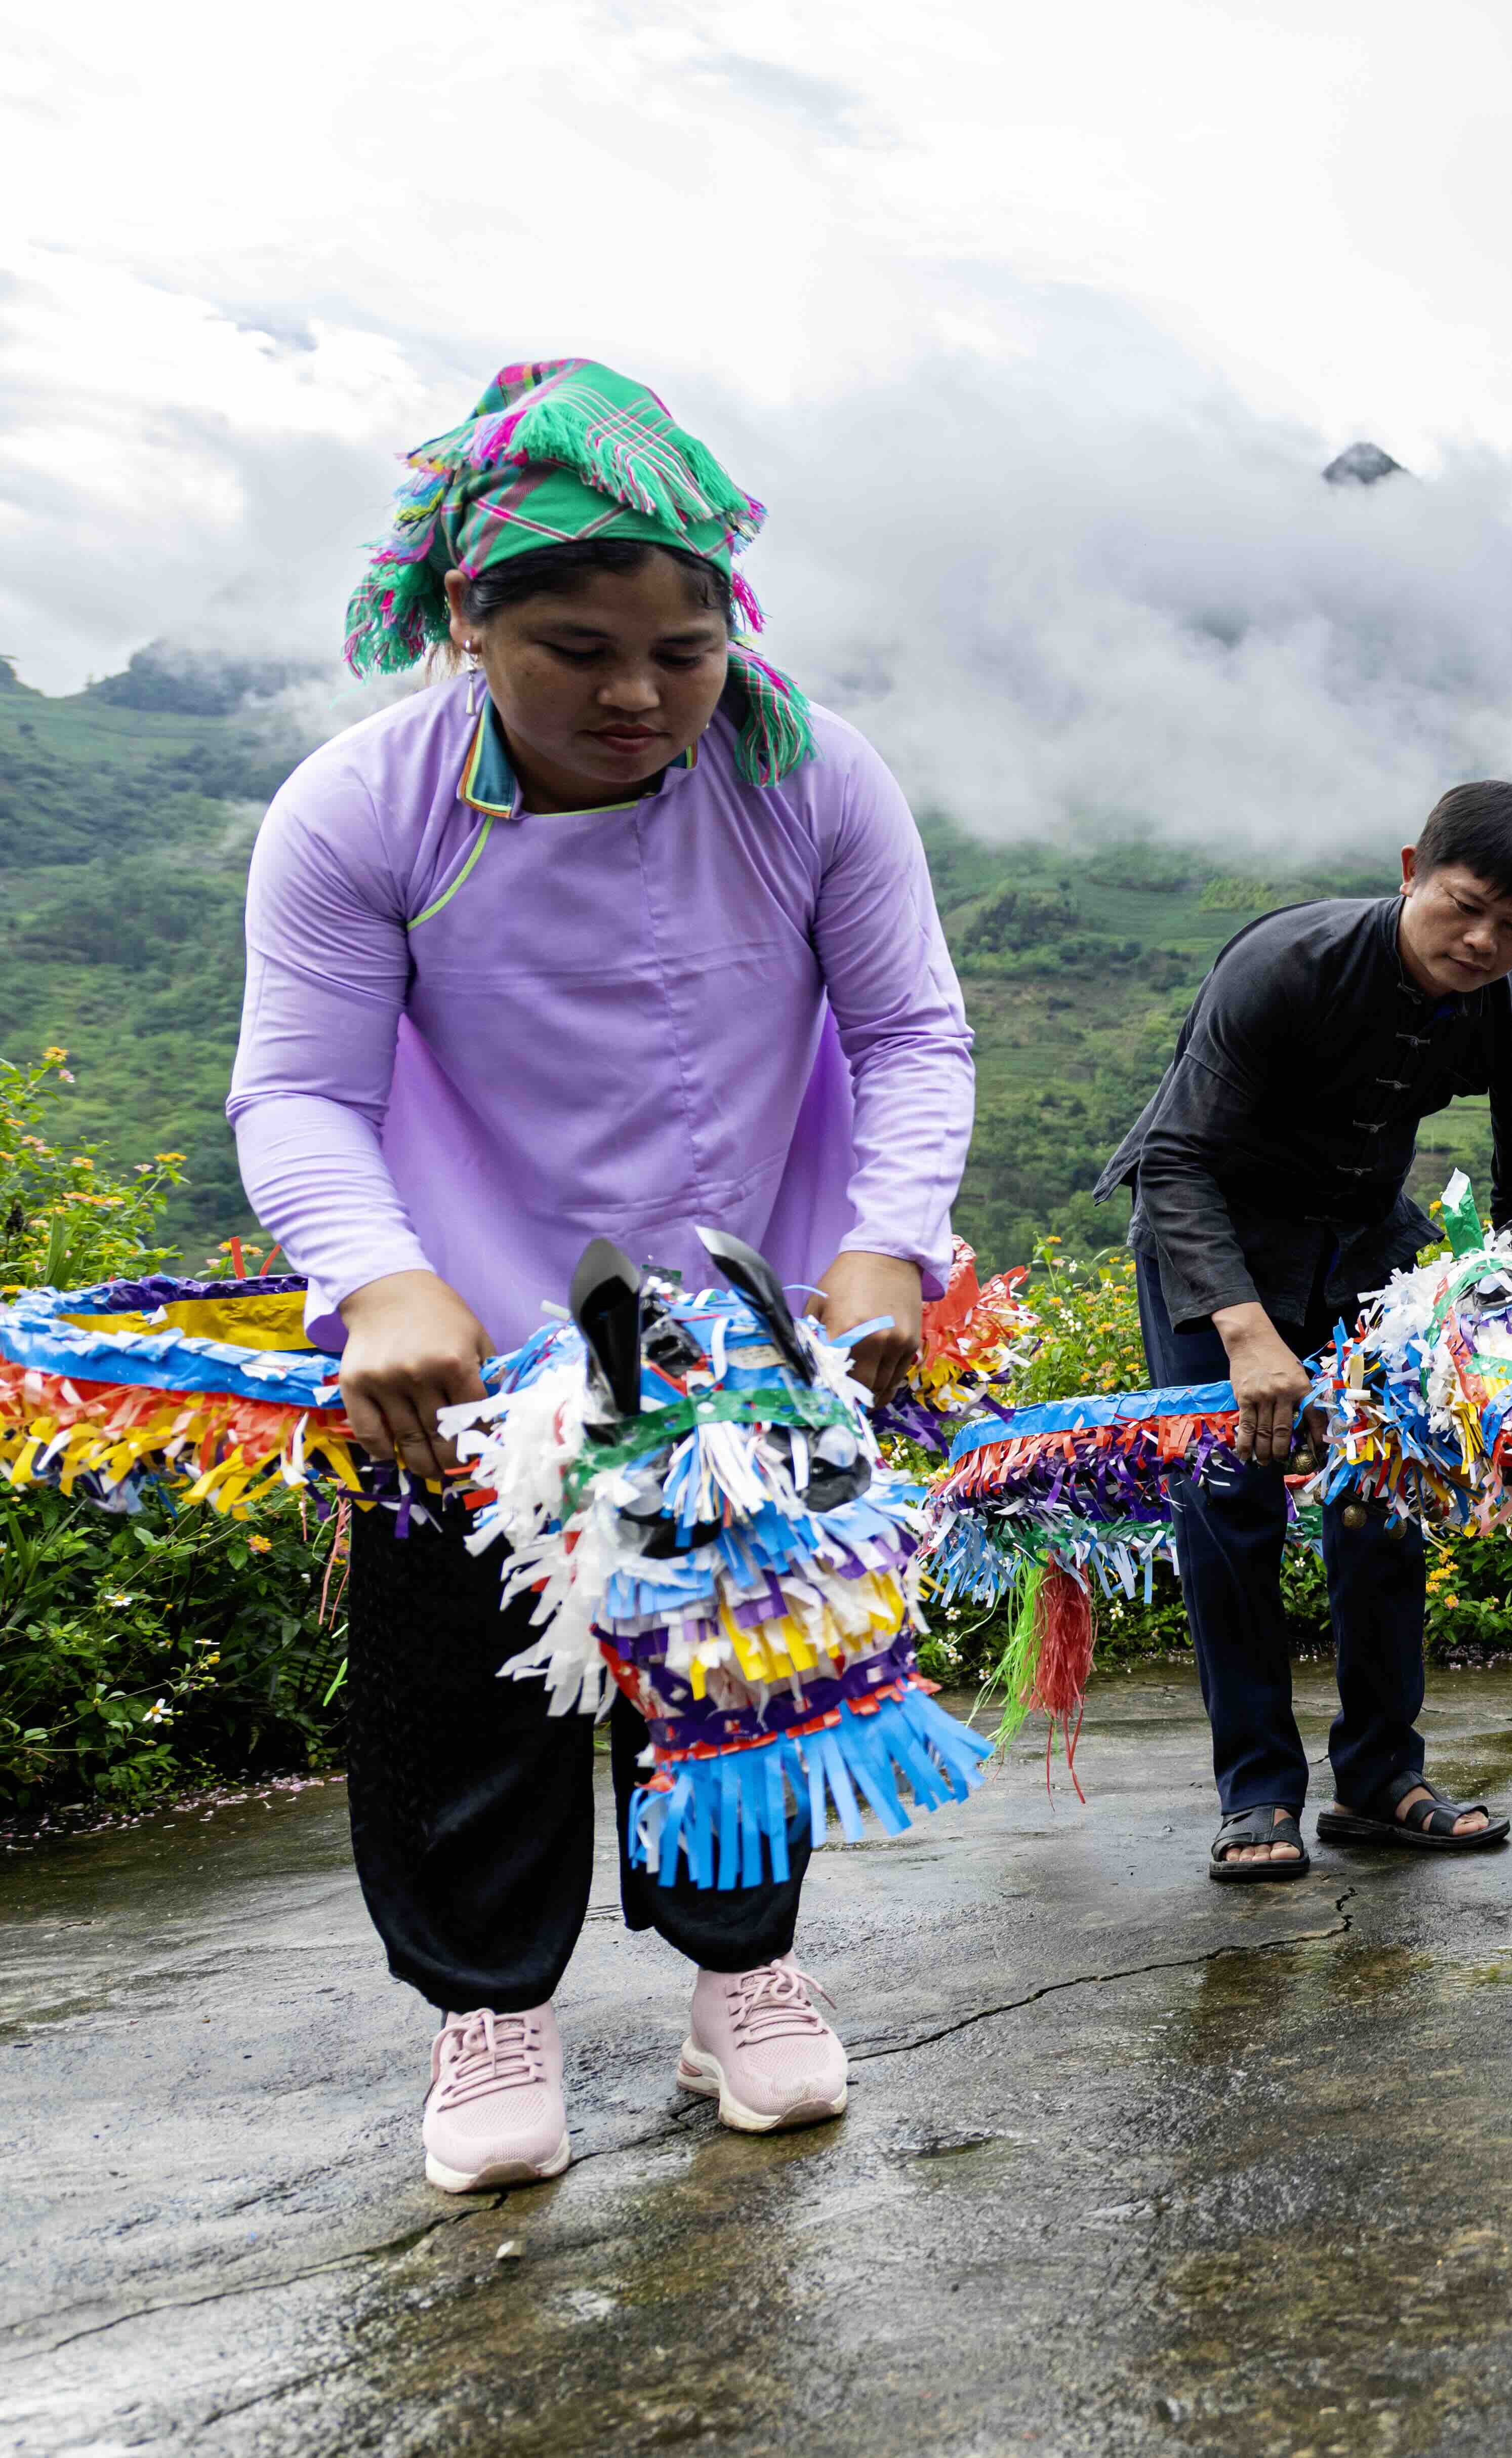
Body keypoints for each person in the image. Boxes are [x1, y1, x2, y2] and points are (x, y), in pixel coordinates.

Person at [232, 358, 977, 2194]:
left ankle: (744, 1970)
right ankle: (489, 1999)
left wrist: (890, 1236)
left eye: (686, 647)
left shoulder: (811, 778)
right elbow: (303, 1089)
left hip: (748, 1319)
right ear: (468, 623)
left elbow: (908, 1031)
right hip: (470, 1326)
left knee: (743, 1647)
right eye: (578, 648)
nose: (639, 696)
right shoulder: (361, 808)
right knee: (461, 1674)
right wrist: (377, 1279)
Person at [1105, 783, 1512, 1878]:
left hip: (1366, 1245)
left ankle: (1378, 1775)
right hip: (1217, 1237)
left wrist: (1507, 1344)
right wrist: (1246, 1332)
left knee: (1386, 1498)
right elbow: (1172, 1158)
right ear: (1414, 866)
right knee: (1234, 1509)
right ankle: (1257, 1790)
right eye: (1463, 907)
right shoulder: (1289, 965)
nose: (1482, 942)